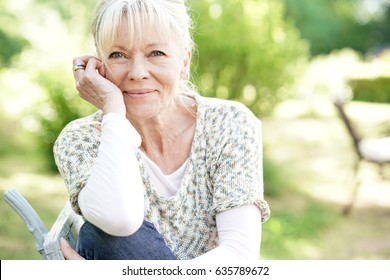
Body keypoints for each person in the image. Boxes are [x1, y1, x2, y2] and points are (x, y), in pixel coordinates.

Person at [54, 0, 270, 260]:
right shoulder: (81, 139)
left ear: (184, 61)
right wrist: (114, 113)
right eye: (118, 55)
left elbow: (239, 255)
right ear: (98, 67)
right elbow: (119, 220)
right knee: (104, 234)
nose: (137, 72)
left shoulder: (229, 124)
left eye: (156, 53)